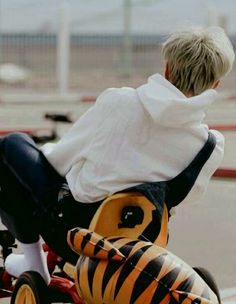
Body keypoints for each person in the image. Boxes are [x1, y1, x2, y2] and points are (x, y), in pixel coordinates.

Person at [0, 25, 235, 285]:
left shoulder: (119, 102)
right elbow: (183, 198)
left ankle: (33, 263)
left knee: (12, 146)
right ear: (215, 83)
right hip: (143, 247)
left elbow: (58, 163)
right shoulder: (210, 145)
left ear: (167, 68)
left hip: (75, 236)